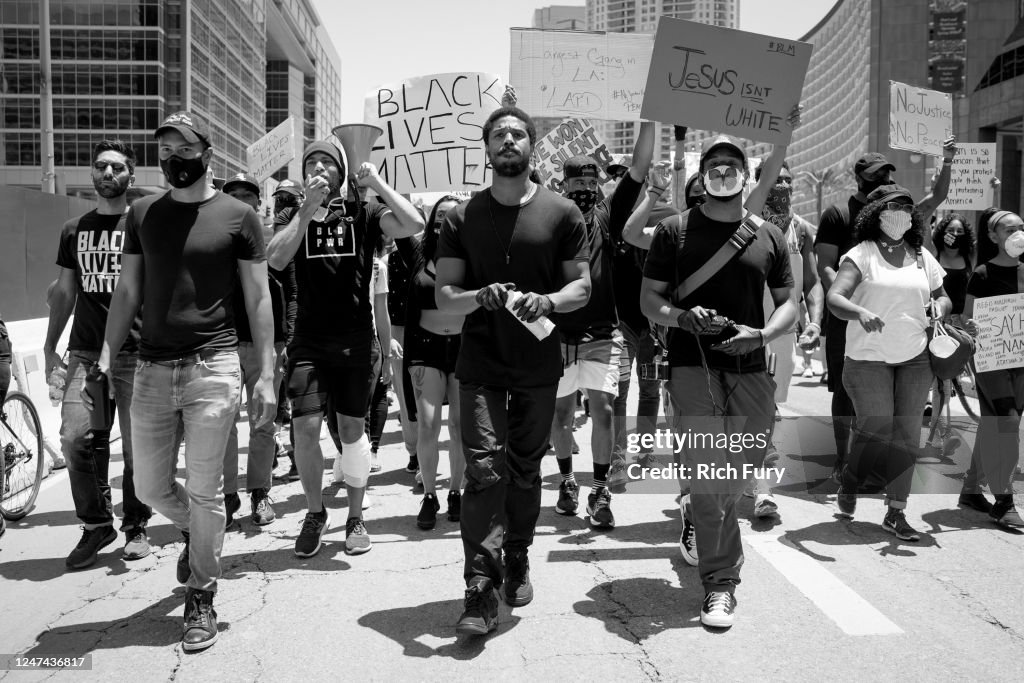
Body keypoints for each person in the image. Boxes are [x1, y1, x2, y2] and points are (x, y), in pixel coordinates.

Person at [96, 111, 278, 651]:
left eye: (182, 147)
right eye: (165, 148)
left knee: (205, 489)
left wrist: (266, 372)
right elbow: (127, 289)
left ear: (206, 152)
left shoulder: (239, 216)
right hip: (149, 367)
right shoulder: (142, 213)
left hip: (213, 366)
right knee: (150, 487)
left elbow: (259, 297)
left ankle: (202, 593)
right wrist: (107, 352)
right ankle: (198, 534)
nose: (172, 157)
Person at [435, 105, 590, 636]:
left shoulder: (563, 213)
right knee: (483, 471)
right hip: (479, 366)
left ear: (531, 147)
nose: (508, 140)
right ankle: (479, 588)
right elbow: (446, 297)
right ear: (486, 148)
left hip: (537, 367)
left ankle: (518, 553)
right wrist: (480, 295)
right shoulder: (460, 218)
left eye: (517, 134)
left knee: (524, 470)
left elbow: (581, 289)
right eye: (498, 134)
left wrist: (547, 302)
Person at [640, 134, 797, 629]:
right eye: (715, 166)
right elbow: (651, 301)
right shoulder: (673, 231)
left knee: (738, 476)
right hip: (693, 370)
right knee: (713, 481)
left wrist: (764, 332)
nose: (724, 172)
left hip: (752, 371)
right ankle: (720, 583)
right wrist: (682, 317)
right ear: (702, 176)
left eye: (732, 166)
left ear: (745, 176)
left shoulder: (768, 234)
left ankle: (701, 512)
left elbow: (789, 300)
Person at [266, 140, 423, 559]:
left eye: (327, 162)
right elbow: (275, 260)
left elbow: (412, 224)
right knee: (304, 428)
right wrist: (305, 210)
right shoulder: (291, 214)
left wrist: (377, 184)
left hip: (355, 341)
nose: (318, 168)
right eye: (311, 163)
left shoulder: (365, 212)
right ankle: (315, 513)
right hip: (308, 342)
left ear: (342, 171)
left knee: (352, 433)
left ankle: (355, 516)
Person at [815, 140, 956, 481]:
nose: (883, 180)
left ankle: (883, 471)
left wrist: (947, 162)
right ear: (859, 179)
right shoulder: (838, 215)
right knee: (845, 393)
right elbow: (826, 267)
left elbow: (935, 198)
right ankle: (843, 458)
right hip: (850, 316)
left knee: (893, 408)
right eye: (875, 175)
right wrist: (855, 302)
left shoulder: (902, 216)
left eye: (887, 174)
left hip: (901, 330)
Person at [43, 140, 153, 570]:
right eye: (101, 167)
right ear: (92, 174)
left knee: (137, 445)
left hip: (137, 349)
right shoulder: (74, 229)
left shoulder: (141, 225)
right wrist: (52, 347)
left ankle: (136, 524)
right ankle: (96, 524)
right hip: (85, 350)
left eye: (117, 168)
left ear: (131, 177)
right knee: (75, 437)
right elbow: (66, 291)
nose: (108, 174)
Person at [825, 184, 951, 542]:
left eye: (907, 207)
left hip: (915, 357)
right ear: (875, 213)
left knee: (907, 434)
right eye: (893, 206)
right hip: (868, 360)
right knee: (877, 427)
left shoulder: (922, 255)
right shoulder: (860, 254)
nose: (901, 213)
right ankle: (851, 480)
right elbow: (836, 298)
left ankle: (896, 510)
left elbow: (943, 297)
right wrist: (860, 311)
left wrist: (939, 309)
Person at [550, 121, 654, 528]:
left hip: (602, 335)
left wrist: (651, 116)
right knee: (559, 417)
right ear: (563, 184)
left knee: (605, 411)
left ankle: (600, 490)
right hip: (557, 337)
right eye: (576, 181)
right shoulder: (551, 216)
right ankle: (566, 480)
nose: (585, 188)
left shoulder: (610, 217)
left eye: (591, 181)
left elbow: (640, 168)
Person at [220, 172, 289, 528]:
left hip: (267, 346)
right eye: (233, 194)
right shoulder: (214, 242)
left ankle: (260, 492)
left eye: (248, 195)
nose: (242, 200)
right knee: (224, 426)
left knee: (264, 424)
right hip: (224, 346)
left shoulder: (273, 242)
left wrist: (286, 341)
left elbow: (288, 291)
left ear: (258, 202)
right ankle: (228, 496)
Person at [396, 195, 467, 530]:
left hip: (464, 351)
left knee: (458, 427)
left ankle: (455, 491)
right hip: (425, 349)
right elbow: (401, 218)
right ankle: (429, 495)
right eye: (439, 214)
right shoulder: (417, 253)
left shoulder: (473, 255)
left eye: (452, 214)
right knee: (428, 425)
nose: (444, 220)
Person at [960, 209, 1024, 527]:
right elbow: (968, 320)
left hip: (1021, 362)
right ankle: (1004, 500)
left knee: (994, 423)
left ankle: (971, 490)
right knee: (1008, 422)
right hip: (991, 361)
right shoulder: (983, 274)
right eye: (1010, 229)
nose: (1017, 233)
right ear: (993, 236)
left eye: (1021, 227)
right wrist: (970, 332)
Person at [926, 213, 975, 448]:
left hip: (961, 327)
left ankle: (939, 434)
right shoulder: (932, 254)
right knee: (940, 384)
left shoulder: (969, 257)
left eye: (959, 232)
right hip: (937, 325)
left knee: (947, 384)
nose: (954, 235)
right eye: (950, 230)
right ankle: (940, 434)